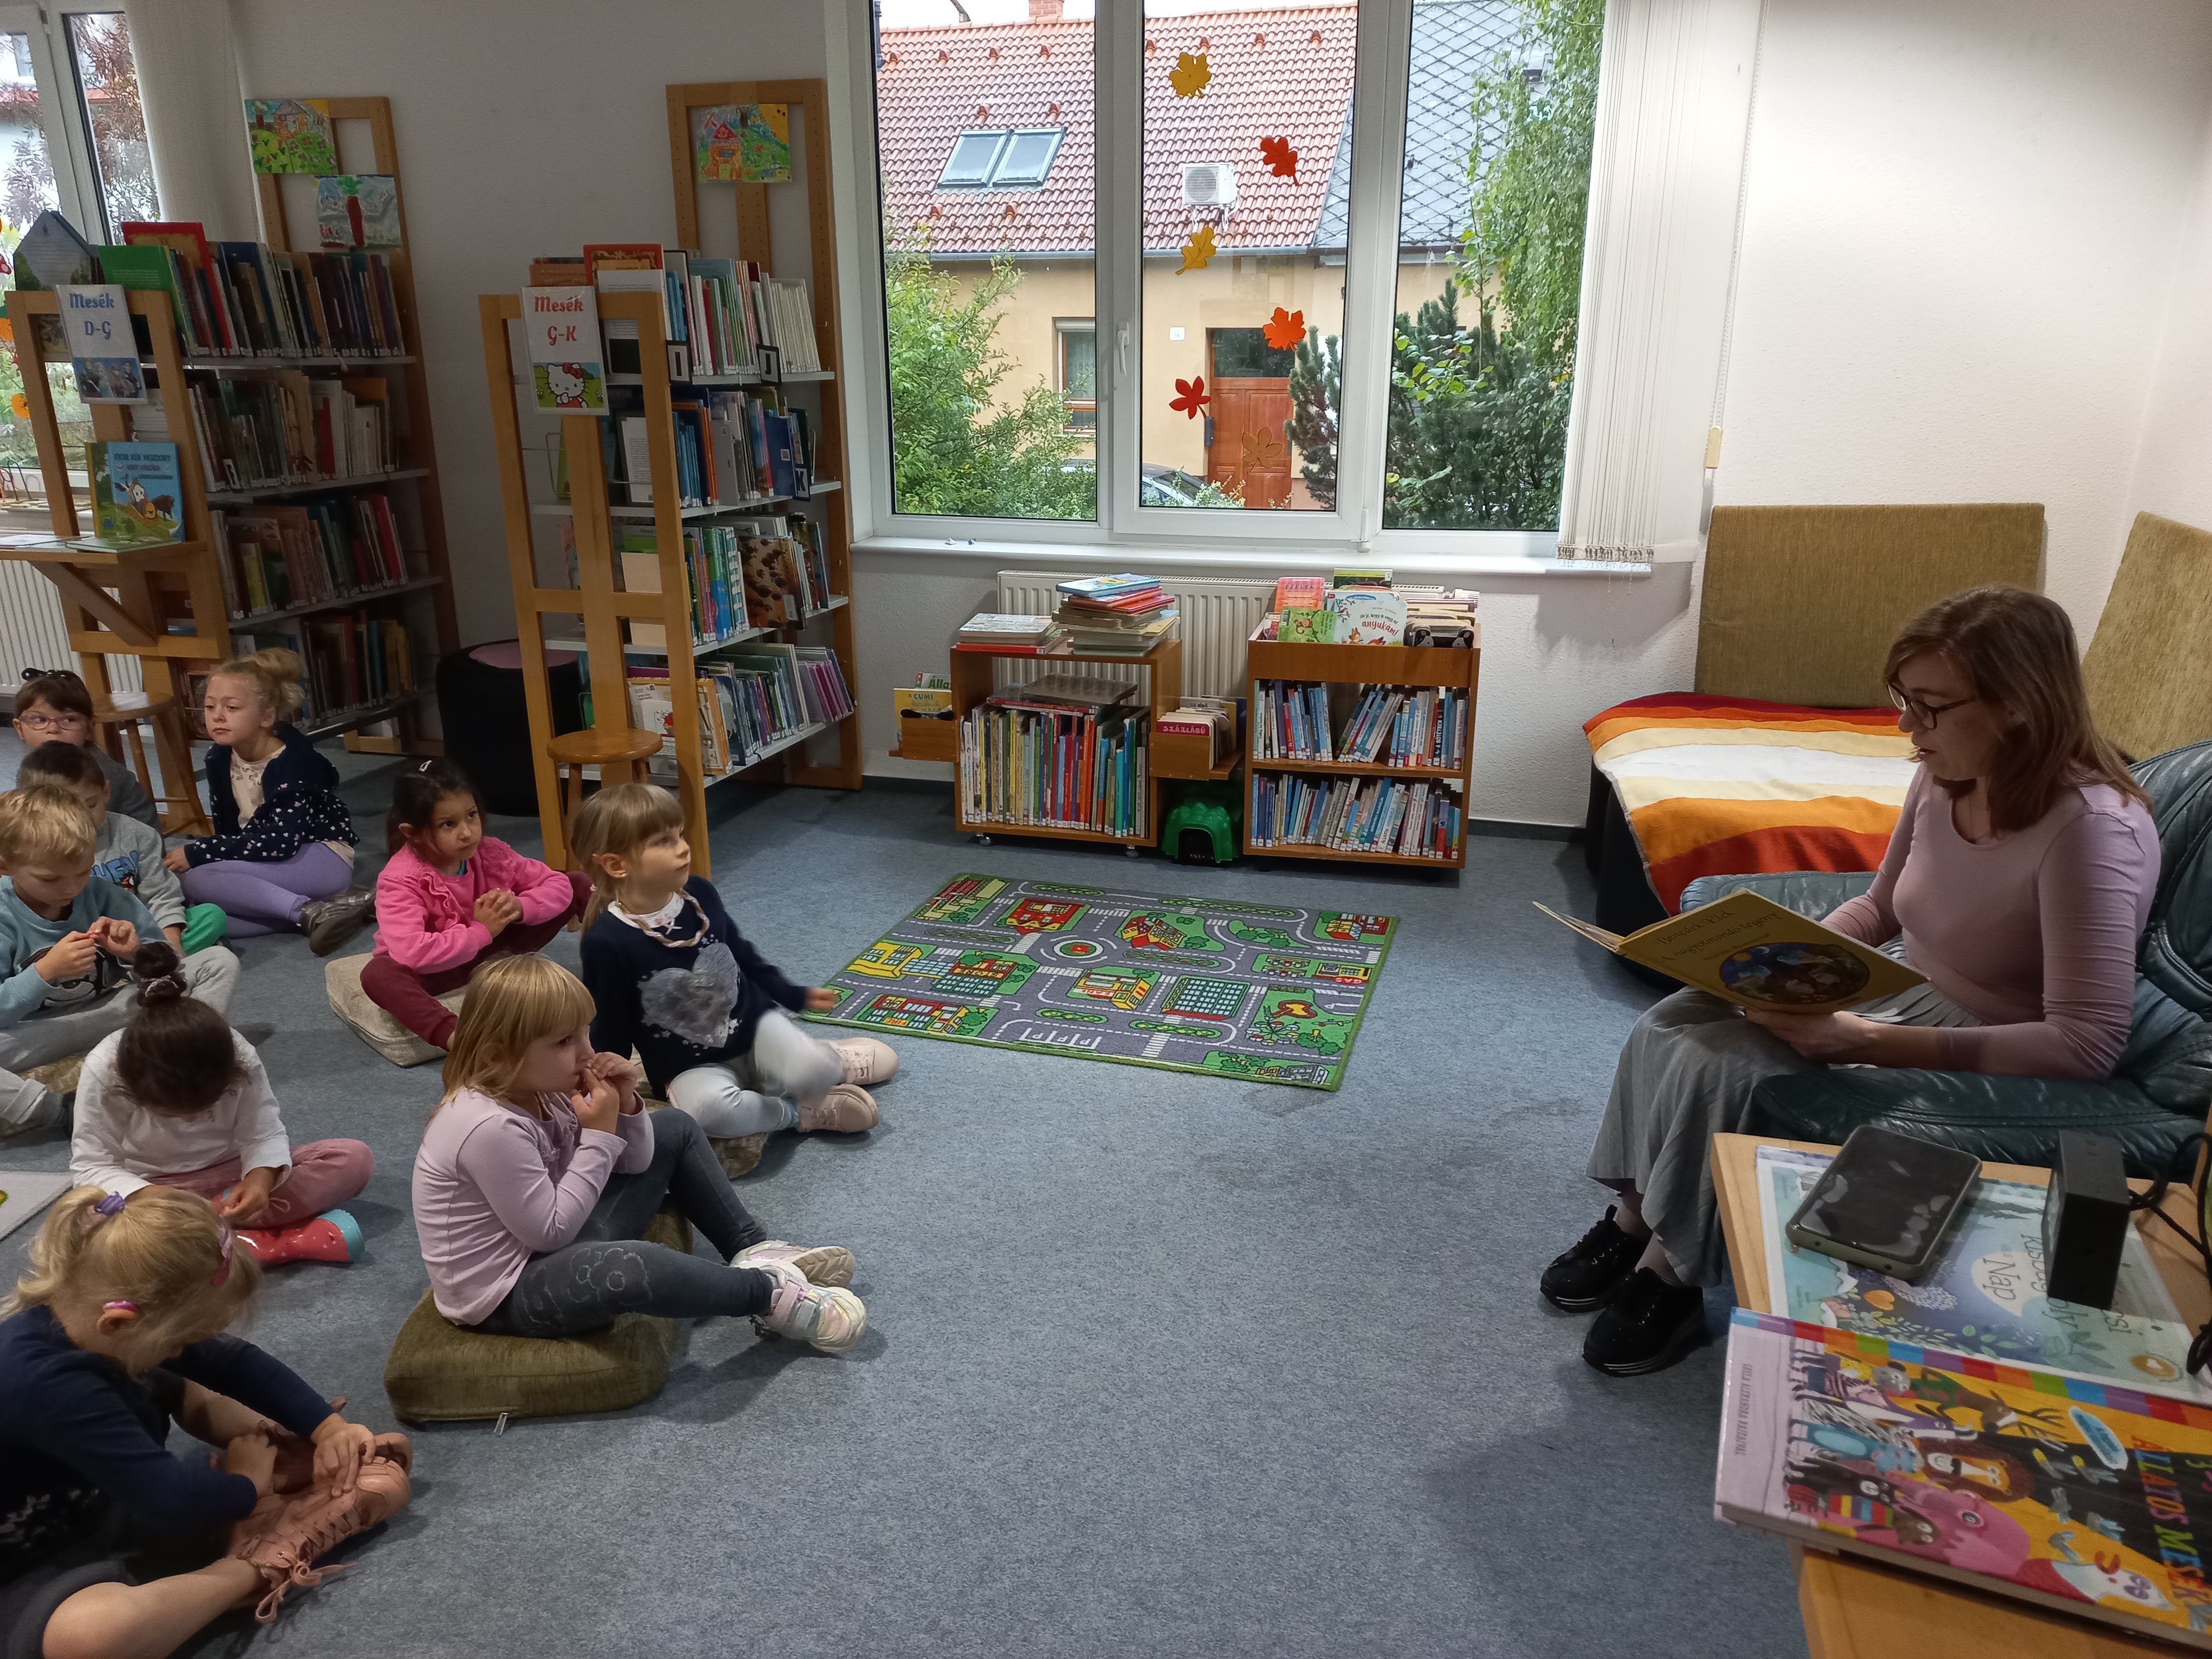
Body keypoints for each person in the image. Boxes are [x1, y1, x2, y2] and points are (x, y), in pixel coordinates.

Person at [1546, 585, 2160, 1377]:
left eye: (1929, 707)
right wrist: (1787, 957)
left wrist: (1862, 1038)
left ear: (2017, 704)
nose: (1907, 728)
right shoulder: (1943, 775)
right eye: (1904, 700)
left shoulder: (2091, 832)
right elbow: (1877, 906)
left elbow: (2086, 1042)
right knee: (1672, 1020)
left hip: (1980, 1034)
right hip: (1893, 982)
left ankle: (1672, 1272)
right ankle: (1633, 1220)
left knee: (1732, 1066)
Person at [0, 1184, 411, 1655]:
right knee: (92, 1638)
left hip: (91, 1498)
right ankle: (247, 1567)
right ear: (117, 1322)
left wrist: (326, 1427)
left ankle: (274, 1452)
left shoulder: (101, 1318)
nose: (185, 1348)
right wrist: (247, 1484)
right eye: (181, 1338)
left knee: (169, 1372)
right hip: (20, 1566)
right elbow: (168, 1496)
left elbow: (232, 1364)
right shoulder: (47, 1387)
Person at [410, 952, 866, 1350]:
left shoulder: (543, 1087)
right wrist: (598, 1137)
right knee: (630, 1266)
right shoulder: (488, 1127)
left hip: (560, 1236)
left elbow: (637, 1162)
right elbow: (550, 1233)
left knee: (675, 1126)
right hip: (507, 1292)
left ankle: (753, 1248)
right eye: (564, 1042)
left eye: (585, 1033)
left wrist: (628, 1107)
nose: (587, 1053)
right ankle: (766, 1294)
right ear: (497, 1057)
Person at [571, 781, 894, 1142]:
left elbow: (741, 953)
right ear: (616, 865)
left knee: (813, 1068)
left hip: (753, 1030)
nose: (683, 848)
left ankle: (828, 1061)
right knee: (710, 1114)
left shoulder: (701, 893)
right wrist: (606, 1086)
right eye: (664, 841)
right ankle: (799, 1112)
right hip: (688, 1066)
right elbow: (610, 1021)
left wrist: (792, 994)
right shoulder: (606, 941)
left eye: (680, 835)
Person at [71, 940, 373, 1268]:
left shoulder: (237, 1052)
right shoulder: (105, 1068)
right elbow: (92, 1165)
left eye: (206, 1108)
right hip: (156, 1187)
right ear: (133, 1088)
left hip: (232, 1176)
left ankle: (204, 1242)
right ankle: (268, 1242)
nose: (191, 1120)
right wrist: (150, 1196)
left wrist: (260, 1179)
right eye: (171, 1112)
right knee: (82, 1223)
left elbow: (263, 1133)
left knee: (353, 1159)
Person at [0, 789, 238, 1139]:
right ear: (5, 866)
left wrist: (136, 953)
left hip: (115, 1011)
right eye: (50, 879)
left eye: (83, 871)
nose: (71, 888)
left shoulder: (104, 894)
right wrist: (44, 972)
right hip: (35, 1033)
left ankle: (192, 1048)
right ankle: (58, 1111)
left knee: (218, 960)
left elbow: (168, 967)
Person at [363, 757, 590, 1051]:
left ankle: (618, 965)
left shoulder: (489, 851)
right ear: (412, 833)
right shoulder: (400, 879)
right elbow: (413, 953)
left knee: (577, 883)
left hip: (494, 949)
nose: (467, 832)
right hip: (438, 970)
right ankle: (461, 1040)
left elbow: (556, 884)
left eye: (471, 815)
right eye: (448, 824)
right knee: (378, 975)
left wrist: (520, 908)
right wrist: (481, 931)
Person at [163, 649, 373, 954]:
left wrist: (202, 853)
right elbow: (229, 830)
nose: (217, 716)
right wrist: (217, 857)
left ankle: (306, 910)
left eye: (232, 707)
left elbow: (281, 842)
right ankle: (334, 909)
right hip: (266, 857)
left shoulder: (295, 764)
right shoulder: (219, 757)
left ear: (267, 717)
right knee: (211, 914)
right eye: (209, 706)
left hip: (321, 858)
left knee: (196, 879)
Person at [17, 739, 227, 955]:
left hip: (136, 932)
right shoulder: (30, 844)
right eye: (65, 811)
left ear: (106, 791)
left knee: (211, 916)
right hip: (73, 942)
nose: (81, 819)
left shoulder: (139, 834)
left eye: (91, 805)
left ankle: (143, 961)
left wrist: (171, 945)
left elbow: (160, 895)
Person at [11, 667, 159, 832]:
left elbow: (87, 830)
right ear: (19, 728)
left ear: (89, 729)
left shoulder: (98, 772)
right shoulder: (32, 765)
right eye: (40, 719)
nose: (53, 729)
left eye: (69, 719)